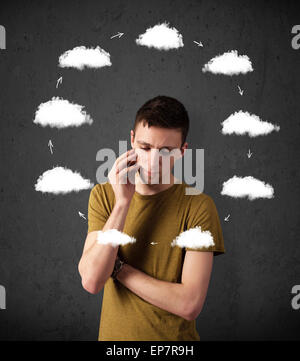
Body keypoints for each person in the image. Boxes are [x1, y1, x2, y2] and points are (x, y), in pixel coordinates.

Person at [78, 95, 226, 341]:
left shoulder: (199, 206)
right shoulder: (105, 196)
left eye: (166, 151)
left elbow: (189, 304)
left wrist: (118, 269)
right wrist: (122, 203)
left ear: (182, 151)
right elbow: (92, 281)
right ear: (132, 140)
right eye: (145, 147)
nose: (153, 161)